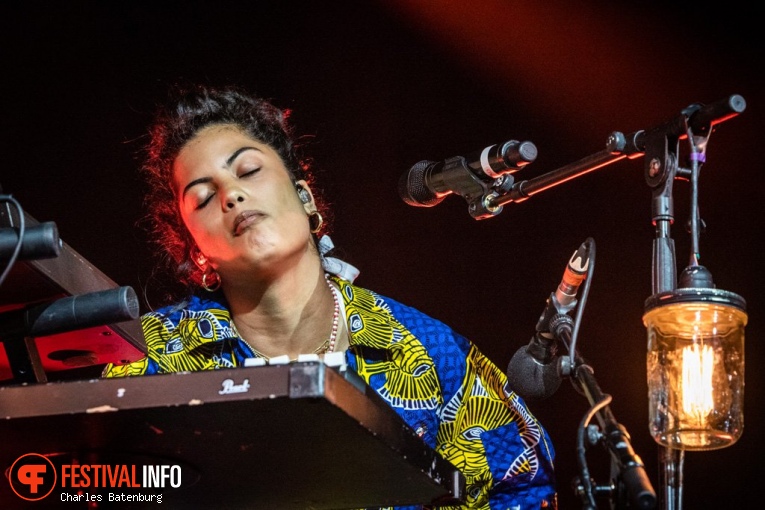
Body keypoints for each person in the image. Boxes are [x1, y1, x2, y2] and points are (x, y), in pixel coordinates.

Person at [102, 84, 558, 509]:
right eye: (202, 198)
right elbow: (94, 488)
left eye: (249, 171)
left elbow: (525, 486)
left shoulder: (428, 352)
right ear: (195, 247)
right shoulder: (148, 358)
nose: (231, 195)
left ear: (305, 198)